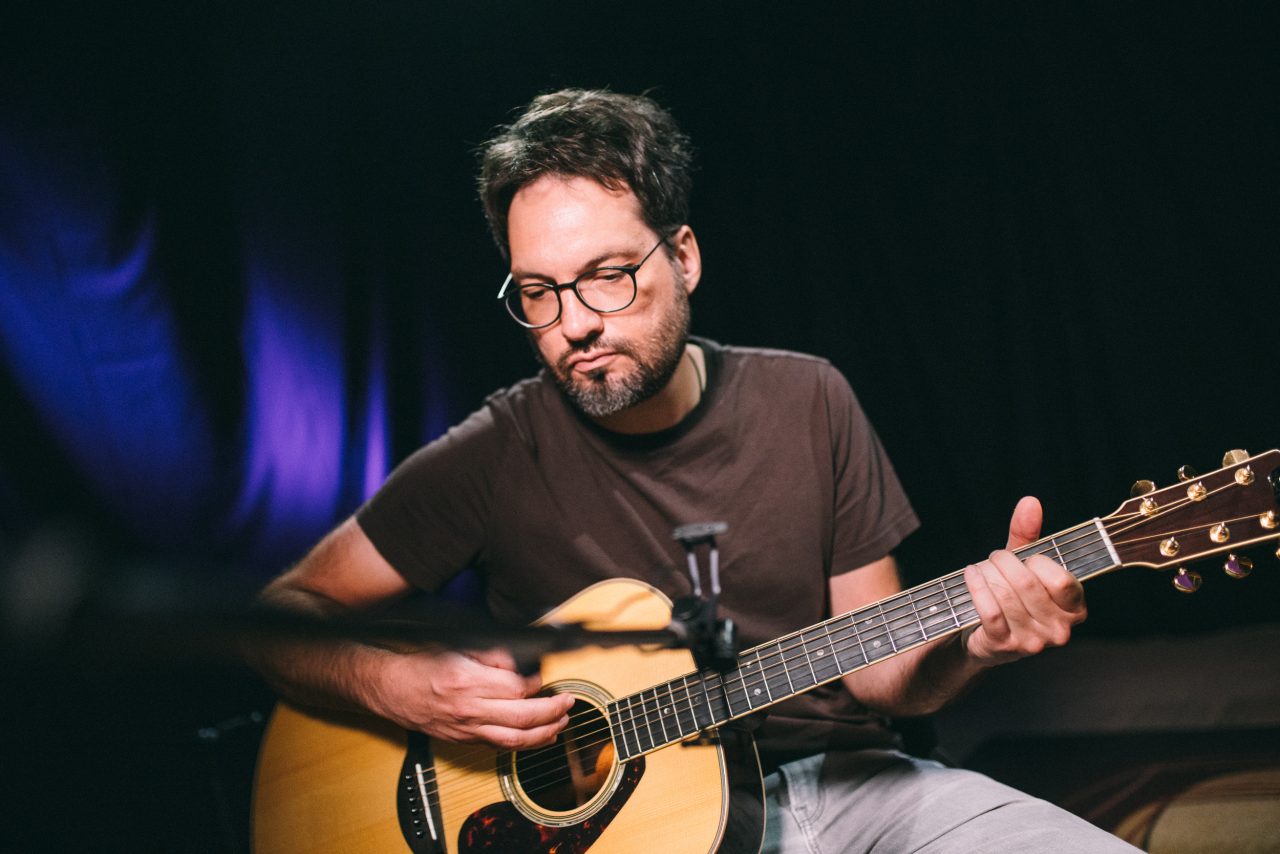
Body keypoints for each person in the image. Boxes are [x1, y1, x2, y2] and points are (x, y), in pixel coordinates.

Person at [248, 88, 1136, 852]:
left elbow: (878, 671)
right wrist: (401, 687)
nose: (574, 323)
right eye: (538, 292)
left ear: (683, 258)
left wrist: (972, 643)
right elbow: (278, 617)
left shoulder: (809, 399)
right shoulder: (493, 453)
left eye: (606, 276)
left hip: (850, 788)